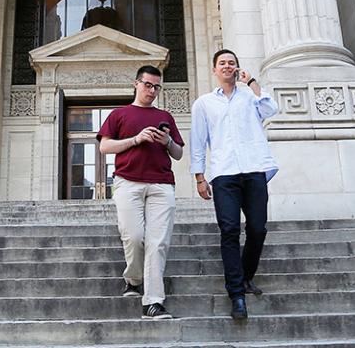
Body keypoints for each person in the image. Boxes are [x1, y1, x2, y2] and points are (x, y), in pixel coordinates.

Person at [190, 49, 278, 320]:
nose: (227, 66)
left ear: (237, 68)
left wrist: (252, 83)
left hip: (254, 169)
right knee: (229, 230)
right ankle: (237, 294)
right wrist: (199, 176)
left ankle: (246, 274)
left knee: (257, 228)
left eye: (232, 63)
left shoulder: (250, 97)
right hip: (224, 174)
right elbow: (197, 141)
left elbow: (271, 109)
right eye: (222, 63)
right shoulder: (204, 103)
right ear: (214, 70)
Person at [97, 65, 184, 320]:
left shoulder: (166, 116)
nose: (152, 90)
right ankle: (133, 278)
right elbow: (104, 147)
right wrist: (136, 139)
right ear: (136, 84)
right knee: (134, 236)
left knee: (158, 243)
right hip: (128, 182)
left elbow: (178, 153)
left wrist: (166, 142)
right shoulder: (119, 114)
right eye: (148, 85)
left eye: (157, 86)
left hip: (161, 184)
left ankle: (153, 302)